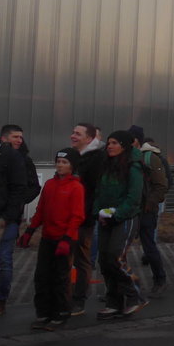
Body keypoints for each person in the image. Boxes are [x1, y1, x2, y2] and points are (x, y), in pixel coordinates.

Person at [19, 148, 85, 330]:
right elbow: (40, 210)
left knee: (60, 277)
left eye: (64, 163)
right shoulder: (49, 184)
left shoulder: (76, 187)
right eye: (58, 162)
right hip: (48, 238)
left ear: (72, 166)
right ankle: (43, 313)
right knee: (42, 276)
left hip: (64, 239)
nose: (60, 165)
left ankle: (60, 313)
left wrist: (67, 239)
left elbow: (77, 216)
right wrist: (29, 231)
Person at [93, 130, 146, 319]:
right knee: (105, 260)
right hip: (106, 218)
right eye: (108, 143)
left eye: (114, 143)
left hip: (126, 218)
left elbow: (134, 197)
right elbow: (99, 191)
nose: (109, 146)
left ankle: (135, 295)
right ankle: (113, 302)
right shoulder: (107, 165)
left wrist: (118, 214)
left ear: (123, 146)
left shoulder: (133, 167)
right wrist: (98, 212)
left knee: (116, 256)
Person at [68, 122, 104, 316]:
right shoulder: (72, 156)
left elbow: (94, 190)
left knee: (82, 259)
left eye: (77, 134)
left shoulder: (96, 159)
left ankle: (79, 300)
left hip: (83, 217)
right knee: (66, 258)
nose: (73, 136)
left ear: (89, 138)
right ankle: (65, 296)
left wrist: (88, 213)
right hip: (67, 217)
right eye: (73, 132)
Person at [129, 126, 169, 296]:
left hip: (145, 210)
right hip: (129, 210)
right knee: (118, 249)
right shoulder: (124, 157)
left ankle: (160, 280)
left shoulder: (150, 157)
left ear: (136, 140)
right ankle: (120, 286)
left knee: (149, 247)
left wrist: (149, 205)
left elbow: (161, 186)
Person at [0, 124, 32, 316]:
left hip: (8, 219)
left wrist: (9, 216)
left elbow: (20, 188)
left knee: (4, 259)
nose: (19, 140)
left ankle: (1, 300)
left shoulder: (16, 158)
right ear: (4, 138)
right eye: (15, 137)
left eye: (21, 137)